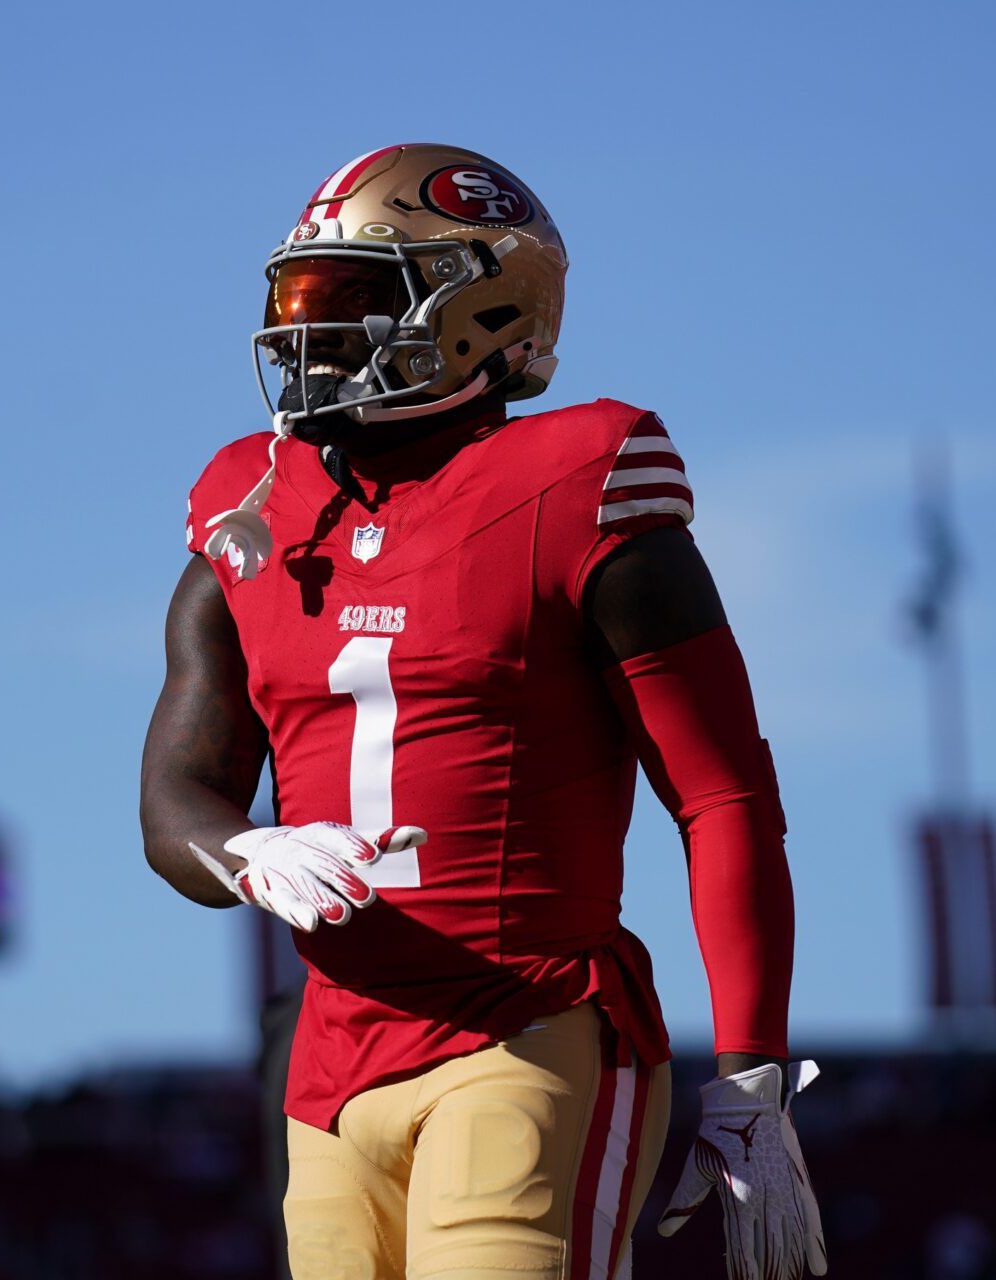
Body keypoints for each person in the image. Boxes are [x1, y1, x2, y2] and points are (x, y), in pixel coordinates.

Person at [141, 143, 827, 1280]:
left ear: (483, 301)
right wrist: (243, 847)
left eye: (354, 298)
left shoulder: (579, 478)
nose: (308, 334)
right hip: (328, 1068)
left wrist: (753, 1076)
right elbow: (172, 795)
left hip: (526, 1029)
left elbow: (722, 792)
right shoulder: (256, 509)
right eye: (298, 299)